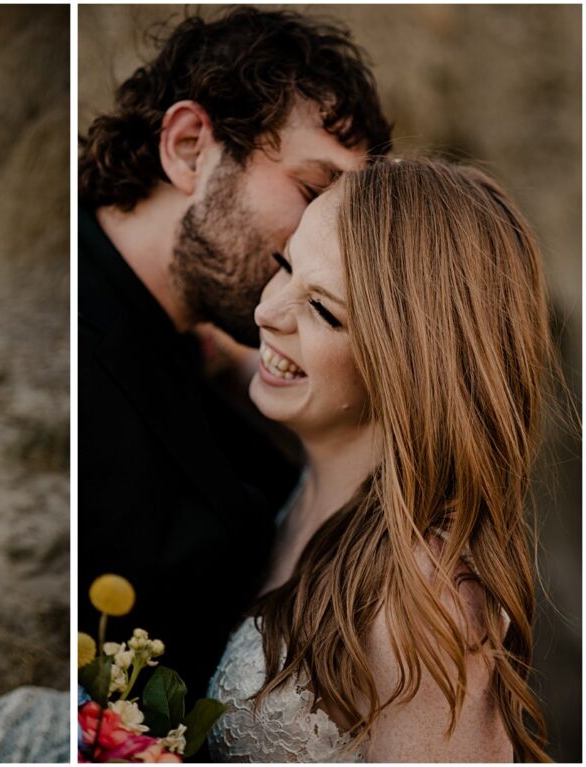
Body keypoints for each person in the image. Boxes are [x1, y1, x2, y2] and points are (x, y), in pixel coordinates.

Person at [78, 6, 392, 700]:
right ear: (190, 146)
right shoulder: (77, 353)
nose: (322, 241)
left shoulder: (200, 345)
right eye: (313, 191)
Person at [208, 158, 553, 762]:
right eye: (284, 265)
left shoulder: (426, 600)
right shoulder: (324, 454)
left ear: (407, 366)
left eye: (322, 310)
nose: (266, 313)